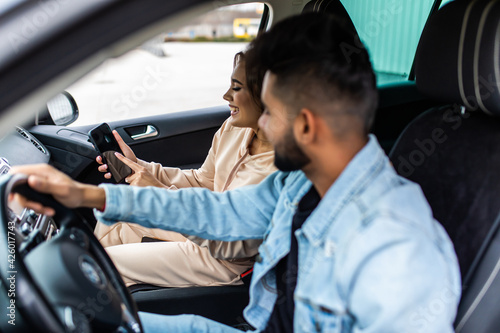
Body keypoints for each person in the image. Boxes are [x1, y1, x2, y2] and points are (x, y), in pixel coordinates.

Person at [12, 12, 461, 333]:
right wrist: (88, 196)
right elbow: (216, 210)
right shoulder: (300, 182)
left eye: (271, 113)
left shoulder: (394, 253)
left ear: (306, 125)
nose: (259, 124)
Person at [93, 50, 276, 287]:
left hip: (230, 260)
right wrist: (139, 167)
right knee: (113, 217)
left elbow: (233, 246)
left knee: (107, 265)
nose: (226, 95)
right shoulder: (234, 129)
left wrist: (158, 192)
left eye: (237, 88)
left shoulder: (281, 169)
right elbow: (205, 181)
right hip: (202, 229)